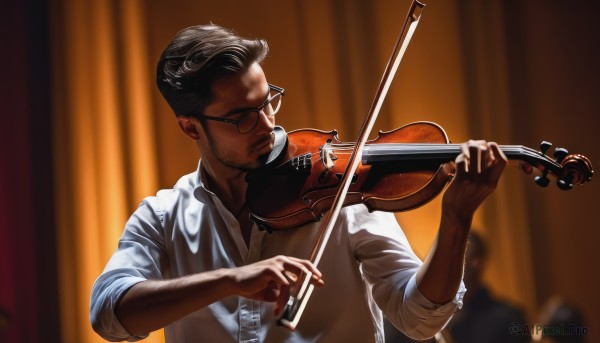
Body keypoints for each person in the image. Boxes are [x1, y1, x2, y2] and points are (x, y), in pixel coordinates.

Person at [90, 24, 507, 342]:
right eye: (242, 117)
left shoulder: (339, 195)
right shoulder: (163, 217)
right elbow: (109, 314)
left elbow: (418, 318)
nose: (268, 125)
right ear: (191, 129)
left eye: (268, 100)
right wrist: (230, 281)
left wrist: (456, 218)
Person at [446, 231, 529, 343]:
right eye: (469, 257)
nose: (476, 264)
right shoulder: (432, 318)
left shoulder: (509, 317)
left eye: (479, 257)